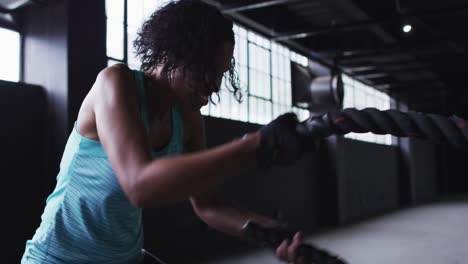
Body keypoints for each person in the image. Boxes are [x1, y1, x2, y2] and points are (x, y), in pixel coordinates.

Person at [21, 0, 305, 263]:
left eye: (220, 74)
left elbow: (208, 206)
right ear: (174, 54)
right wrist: (254, 148)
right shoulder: (116, 83)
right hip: (58, 258)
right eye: (208, 70)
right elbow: (139, 184)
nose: (215, 85)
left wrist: (272, 232)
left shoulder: (189, 120)